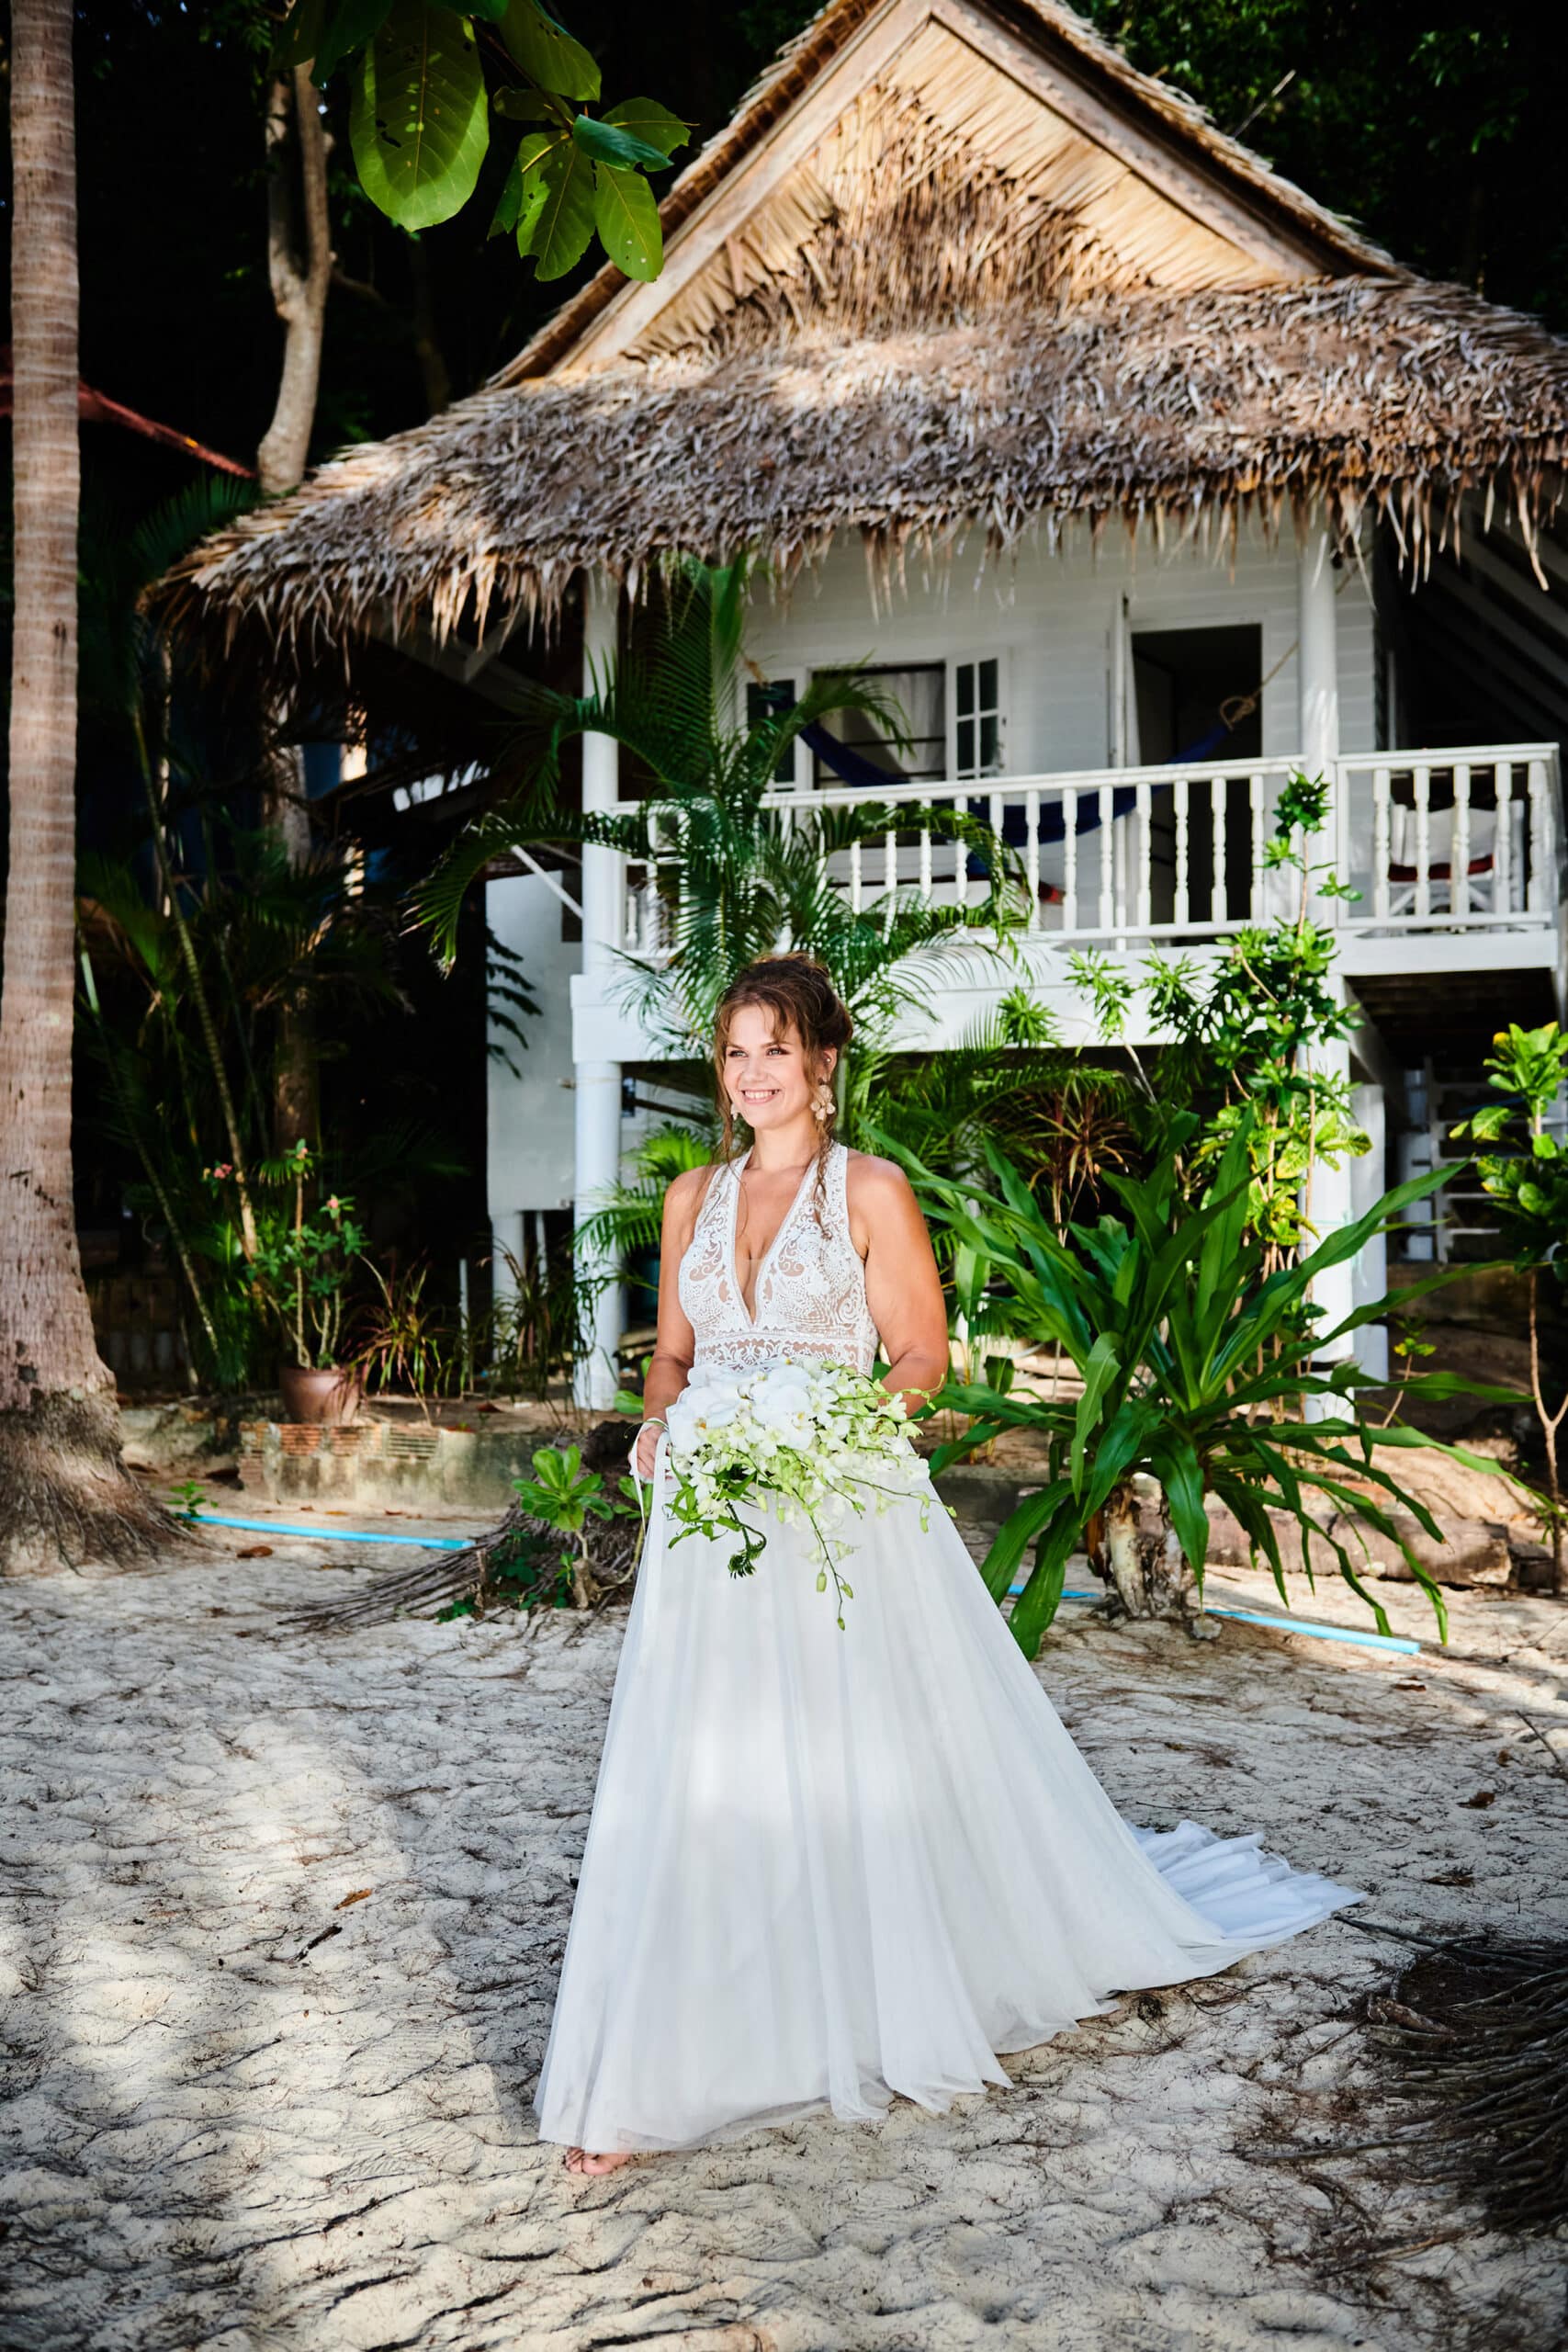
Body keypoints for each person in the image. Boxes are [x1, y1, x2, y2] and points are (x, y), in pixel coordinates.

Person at [536, 955, 1359, 2173]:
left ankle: (866, 1990)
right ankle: (684, 2048)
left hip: (838, 1506)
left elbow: (919, 1355)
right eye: (734, 1051)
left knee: (847, 1756)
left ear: (823, 1064)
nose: (752, 1071)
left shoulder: (865, 1189)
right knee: (708, 1766)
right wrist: (660, 1419)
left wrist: (832, 1432)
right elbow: (674, 1355)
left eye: (775, 1047)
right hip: (713, 1523)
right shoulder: (689, 1198)